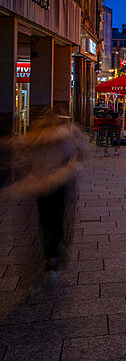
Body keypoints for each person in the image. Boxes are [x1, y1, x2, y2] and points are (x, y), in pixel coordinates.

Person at [5, 111, 87, 282]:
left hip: (40, 184)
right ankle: (54, 250)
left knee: (45, 217)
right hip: (58, 183)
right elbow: (76, 154)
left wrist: (26, 177)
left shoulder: (35, 139)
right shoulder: (64, 136)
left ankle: (49, 251)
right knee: (57, 216)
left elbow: (24, 160)